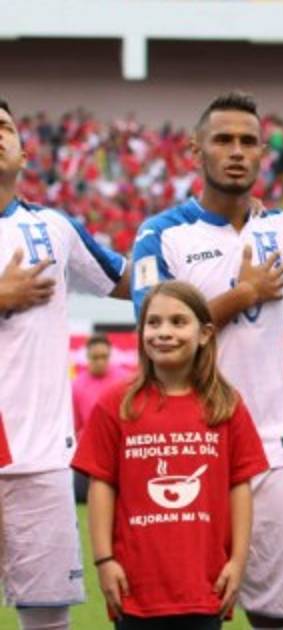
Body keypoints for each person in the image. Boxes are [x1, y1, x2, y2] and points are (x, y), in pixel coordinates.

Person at [131, 92, 283, 630]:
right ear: (195, 151)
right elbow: (155, 331)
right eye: (223, 140)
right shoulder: (162, 235)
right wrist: (244, 294)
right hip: (189, 448)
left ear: (261, 154)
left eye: (248, 142)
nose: (236, 151)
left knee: (277, 616)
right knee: (185, 614)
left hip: (271, 448)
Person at [0, 96, 131, 630]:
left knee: (48, 616)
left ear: (25, 153)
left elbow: (129, 280)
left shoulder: (54, 227)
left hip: (41, 459)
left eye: (4, 126)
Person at [72, 280, 268, 630]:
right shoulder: (116, 404)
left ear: (205, 334)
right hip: (134, 587)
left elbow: (239, 487)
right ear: (141, 332)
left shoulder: (227, 405)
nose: (164, 332)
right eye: (154, 322)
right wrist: (104, 560)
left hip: (205, 585)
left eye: (178, 322)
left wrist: (238, 562)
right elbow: (102, 486)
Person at [73, 333, 132, 502]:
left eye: (104, 357)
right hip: (90, 452)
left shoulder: (126, 381)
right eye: (95, 357)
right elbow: (75, 424)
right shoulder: (76, 385)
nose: (100, 361)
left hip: (120, 449)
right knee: (83, 498)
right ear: (87, 356)